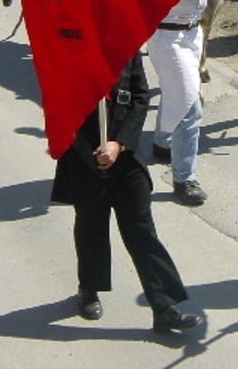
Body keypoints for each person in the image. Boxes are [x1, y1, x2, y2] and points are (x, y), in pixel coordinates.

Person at [51, 52, 205, 333]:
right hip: (85, 154)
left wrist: (119, 143)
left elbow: (140, 96)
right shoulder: (70, 47)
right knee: (91, 225)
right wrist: (90, 146)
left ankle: (164, 306)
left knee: (142, 229)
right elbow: (57, 100)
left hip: (124, 154)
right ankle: (89, 288)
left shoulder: (126, 46)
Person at [148, 0, 238, 205]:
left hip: (190, 34)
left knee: (175, 89)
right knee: (190, 105)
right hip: (169, 37)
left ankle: (163, 142)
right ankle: (184, 178)